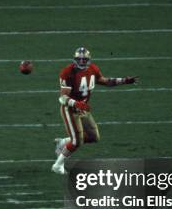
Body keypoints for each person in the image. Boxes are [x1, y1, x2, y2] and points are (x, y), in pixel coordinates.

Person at [52, 47, 138, 175]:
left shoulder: (93, 69)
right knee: (76, 142)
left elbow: (106, 81)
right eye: (79, 59)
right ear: (75, 59)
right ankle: (58, 165)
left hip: (83, 108)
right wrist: (76, 103)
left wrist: (124, 81)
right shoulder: (67, 72)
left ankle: (63, 142)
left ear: (89, 60)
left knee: (93, 137)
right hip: (70, 109)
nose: (81, 61)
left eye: (84, 59)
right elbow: (62, 98)